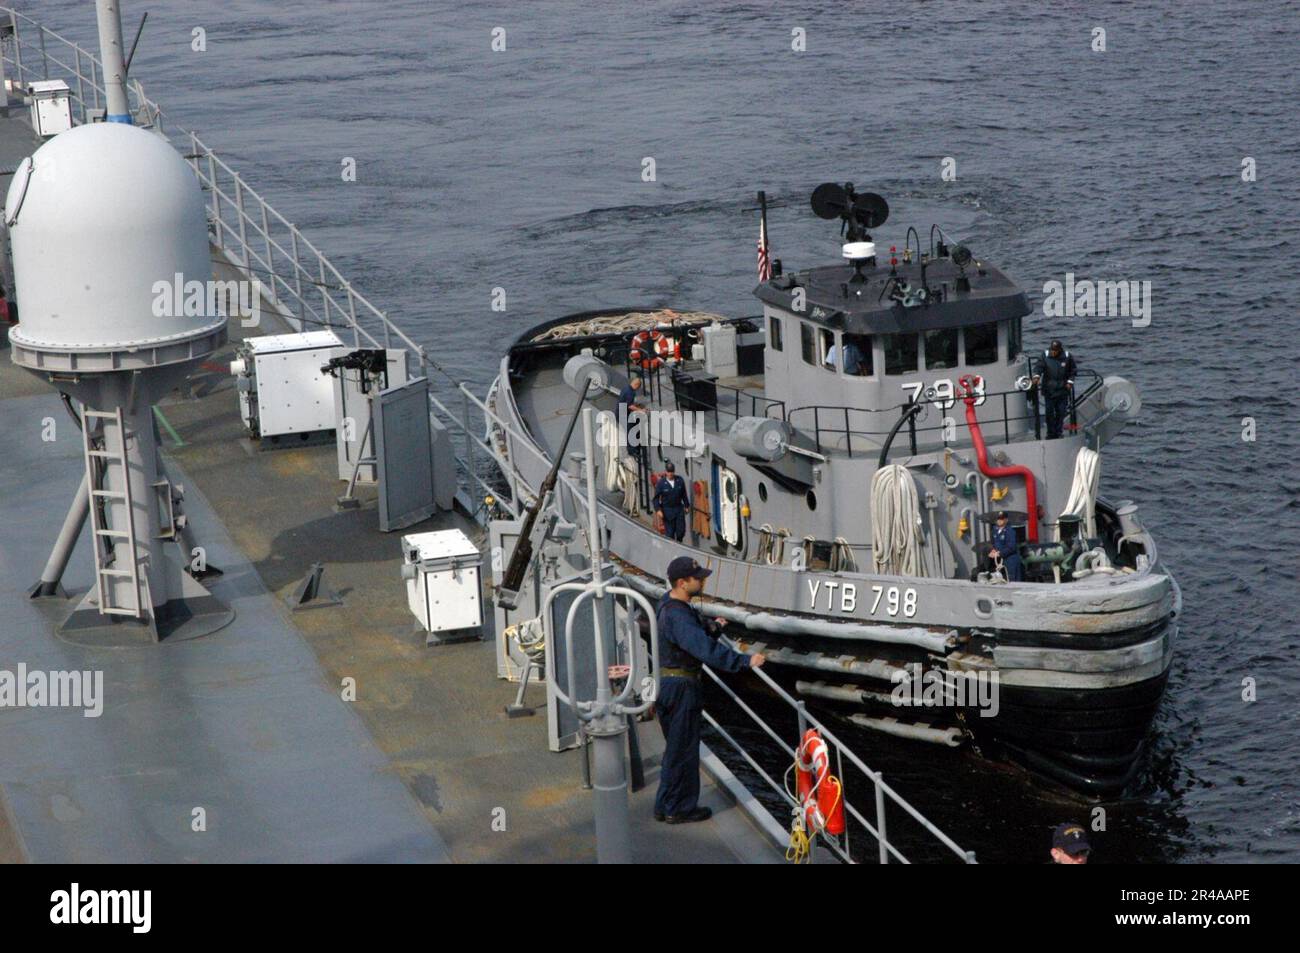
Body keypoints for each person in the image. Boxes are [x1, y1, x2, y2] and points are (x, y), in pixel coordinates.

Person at [654, 557, 765, 823]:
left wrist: (712, 627)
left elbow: (695, 631)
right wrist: (744, 661)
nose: (702, 581)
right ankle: (678, 808)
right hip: (681, 687)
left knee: (675, 748)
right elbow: (703, 649)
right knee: (684, 749)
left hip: (671, 684)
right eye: (698, 578)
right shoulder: (677, 615)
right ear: (683, 583)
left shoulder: (671, 605)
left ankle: (664, 803)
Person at [1031, 340, 1077, 439]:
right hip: (1049, 390)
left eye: (1055, 350)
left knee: (1061, 412)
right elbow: (1039, 367)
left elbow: (1073, 371)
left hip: (1062, 390)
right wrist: (1036, 376)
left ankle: (1058, 432)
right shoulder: (1045, 355)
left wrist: (1069, 382)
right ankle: (1050, 433)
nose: (1053, 352)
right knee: (1049, 412)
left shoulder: (1067, 356)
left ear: (1060, 350)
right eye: (1052, 350)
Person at [653, 460, 689, 541]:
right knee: (670, 534)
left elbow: (684, 494)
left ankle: (679, 544)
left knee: (681, 531)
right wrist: (658, 510)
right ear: (666, 472)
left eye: (672, 471)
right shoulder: (661, 483)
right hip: (667, 511)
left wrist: (687, 506)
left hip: (678, 509)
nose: (670, 474)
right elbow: (655, 499)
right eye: (669, 472)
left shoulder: (680, 480)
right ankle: (672, 550)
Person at [988, 511, 1023, 581]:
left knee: (1013, 581)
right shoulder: (995, 531)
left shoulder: (1010, 531)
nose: (999, 521)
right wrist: (993, 550)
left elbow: (1012, 547)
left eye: (1002, 519)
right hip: (1000, 560)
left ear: (1006, 520)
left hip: (1011, 560)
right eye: (998, 519)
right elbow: (994, 543)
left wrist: (999, 553)